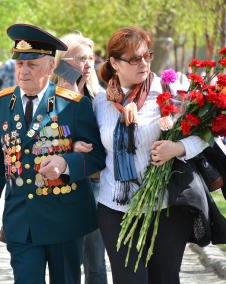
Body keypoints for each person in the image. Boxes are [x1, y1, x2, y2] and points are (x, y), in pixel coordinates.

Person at [0, 23, 106, 284]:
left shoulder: (73, 104)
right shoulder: (1, 103)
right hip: (21, 221)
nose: (23, 71)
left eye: (32, 64)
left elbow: (97, 157)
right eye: (19, 64)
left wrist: (66, 163)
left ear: (50, 67)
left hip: (65, 220)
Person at [81, 27, 209, 283]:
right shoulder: (100, 104)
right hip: (115, 207)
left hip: (165, 208)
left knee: (165, 279)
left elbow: (205, 136)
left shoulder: (169, 91)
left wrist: (177, 148)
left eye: (146, 56)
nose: (144, 63)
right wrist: (78, 148)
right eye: (134, 59)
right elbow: (93, 150)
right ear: (115, 63)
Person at [52, 33, 108, 284]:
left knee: (95, 262)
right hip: (59, 188)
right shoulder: (49, 99)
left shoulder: (102, 99)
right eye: (79, 59)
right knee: (66, 262)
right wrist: (70, 144)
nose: (87, 64)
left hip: (95, 186)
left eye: (90, 58)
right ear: (62, 62)